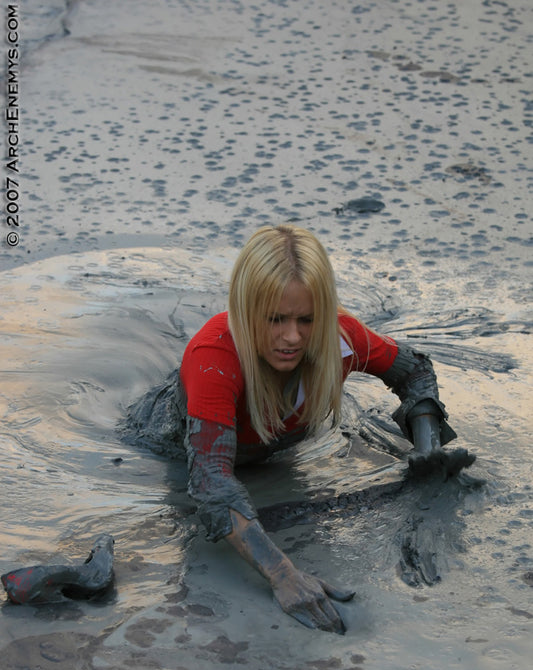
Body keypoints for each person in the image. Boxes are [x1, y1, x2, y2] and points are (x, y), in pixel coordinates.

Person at [131, 224, 475, 633]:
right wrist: (283, 575)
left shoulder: (340, 338)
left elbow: (415, 370)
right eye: (275, 319)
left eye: (307, 320)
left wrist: (427, 449)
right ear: (245, 310)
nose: (291, 338)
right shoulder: (214, 357)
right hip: (168, 446)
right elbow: (211, 482)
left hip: (269, 450)